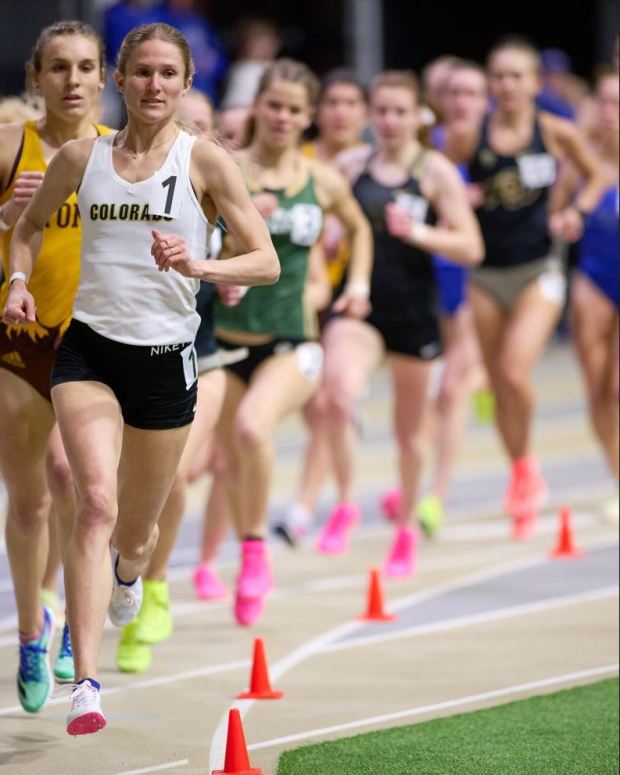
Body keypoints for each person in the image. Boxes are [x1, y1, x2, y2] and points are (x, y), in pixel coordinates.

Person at [3, 21, 278, 735]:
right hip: (88, 349)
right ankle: (86, 682)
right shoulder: (79, 155)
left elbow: (265, 260)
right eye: (142, 72)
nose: (154, 85)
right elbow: (27, 228)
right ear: (119, 82)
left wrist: (201, 266)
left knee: (137, 529)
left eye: (168, 74)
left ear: (186, 85)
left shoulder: (206, 161)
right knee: (90, 498)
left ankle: (129, 576)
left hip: (164, 360)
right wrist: (17, 279)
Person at [213, 58, 372, 626]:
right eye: (274, 104)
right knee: (229, 465)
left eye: (295, 109)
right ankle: (242, 549)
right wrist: (229, 249)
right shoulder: (226, 169)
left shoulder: (322, 180)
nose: (282, 116)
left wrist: (356, 282)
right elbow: (196, 235)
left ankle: (255, 551)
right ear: (258, 105)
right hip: (226, 343)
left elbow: (359, 226)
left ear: (310, 119)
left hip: (293, 340)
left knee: (254, 427)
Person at [314, 69, 483, 576]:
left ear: (417, 117)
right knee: (337, 392)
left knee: (410, 434)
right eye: (382, 111)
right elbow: (326, 222)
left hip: (414, 312)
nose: (389, 121)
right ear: (371, 115)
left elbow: (471, 246)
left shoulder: (435, 173)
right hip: (361, 304)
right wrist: (327, 238)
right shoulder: (350, 165)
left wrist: (422, 233)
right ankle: (346, 501)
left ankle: (406, 526)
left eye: (399, 112)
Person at [448, 36, 604, 539]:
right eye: (498, 76)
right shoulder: (472, 135)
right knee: (497, 384)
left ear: (535, 84)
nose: (507, 85)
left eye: (517, 76)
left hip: (539, 270)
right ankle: (522, 471)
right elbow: (435, 177)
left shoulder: (555, 131)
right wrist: (459, 194)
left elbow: (597, 173)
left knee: (514, 373)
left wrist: (575, 211)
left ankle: (526, 466)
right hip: (487, 275)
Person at [0, 20, 110, 713]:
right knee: (32, 497)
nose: (73, 80)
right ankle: (31, 633)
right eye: (59, 67)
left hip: (93, 341)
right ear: (36, 77)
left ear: (106, 78)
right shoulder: (12, 146)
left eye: (86, 67)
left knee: (78, 482)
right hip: (21, 340)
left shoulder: (122, 154)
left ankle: (75, 619)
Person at [383, 59, 492, 535]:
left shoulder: (495, 143)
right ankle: (413, 477)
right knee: (425, 393)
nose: (459, 101)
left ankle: (437, 497)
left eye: (468, 92)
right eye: (450, 92)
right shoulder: (430, 147)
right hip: (428, 276)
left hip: (474, 280)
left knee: (452, 390)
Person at [273, 69, 370, 545]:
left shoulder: (373, 164)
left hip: (349, 305)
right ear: (318, 113)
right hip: (299, 297)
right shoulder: (299, 160)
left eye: (350, 103)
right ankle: (319, 503)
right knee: (319, 413)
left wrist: (359, 281)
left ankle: (308, 508)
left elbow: (363, 230)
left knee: (333, 399)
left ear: (363, 112)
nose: (340, 112)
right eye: (332, 102)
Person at [565, 67, 619, 520]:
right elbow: (555, 211)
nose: (609, 113)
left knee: (619, 386)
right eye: (603, 102)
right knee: (598, 388)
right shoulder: (584, 161)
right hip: (594, 275)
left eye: (618, 104)